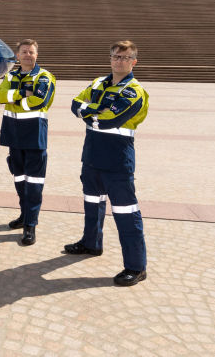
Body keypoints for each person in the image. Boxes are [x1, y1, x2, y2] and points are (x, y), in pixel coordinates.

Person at [64, 40, 150, 287]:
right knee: (92, 204)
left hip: (117, 160)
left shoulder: (134, 91)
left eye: (125, 57)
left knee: (125, 212)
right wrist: (95, 112)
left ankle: (136, 266)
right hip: (92, 156)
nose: (119, 61)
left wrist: (89, 113)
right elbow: (74, 104)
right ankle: (91, 243)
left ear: (134, 61)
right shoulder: (98, 83)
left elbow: (112, 119)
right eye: (115, 56)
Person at [0, 39, 56, 246]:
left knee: (34, 181)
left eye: (31, 52)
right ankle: (24, 215)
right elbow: (1, 96)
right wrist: (22, 94)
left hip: (33, 135)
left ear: (36, 55)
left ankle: (31, 224)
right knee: (19, 178)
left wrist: (14, 99)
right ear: (18, 55)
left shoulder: (44, 77)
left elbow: (39, 100)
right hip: (13, 134)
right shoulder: (11, 75)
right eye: (24, 52)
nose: (28, 55)